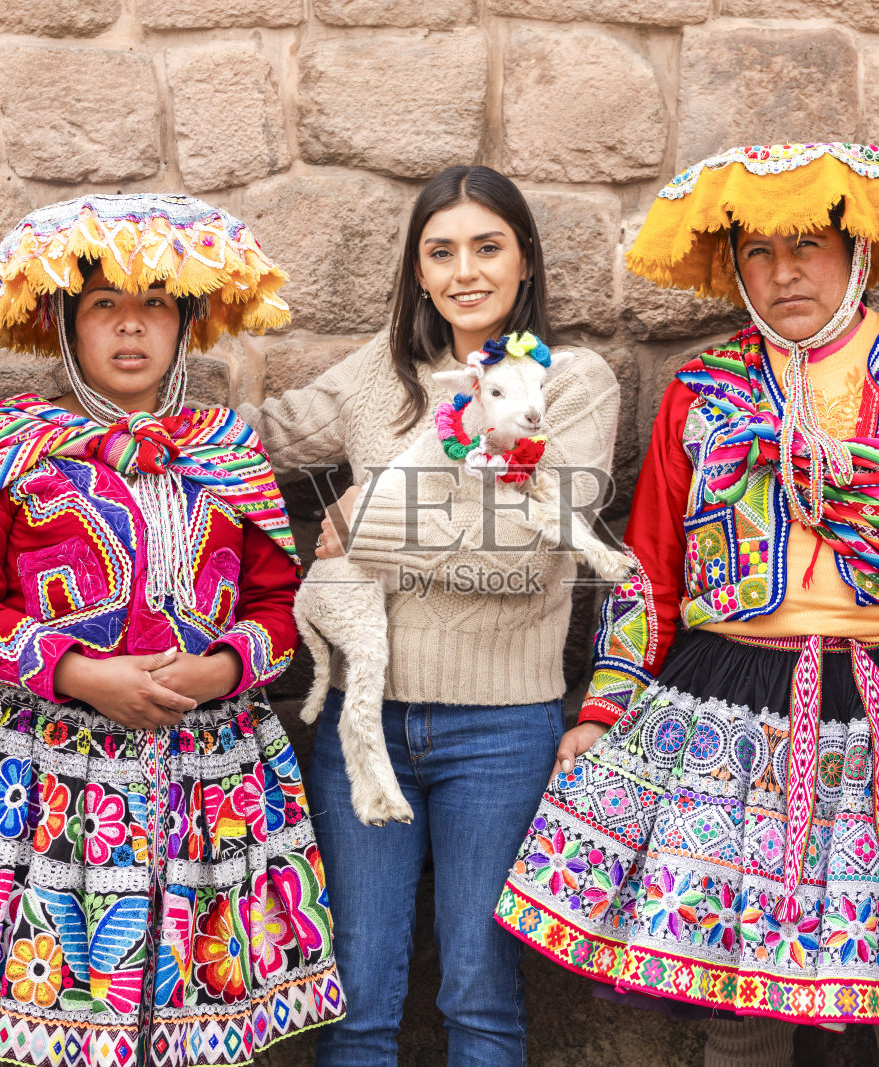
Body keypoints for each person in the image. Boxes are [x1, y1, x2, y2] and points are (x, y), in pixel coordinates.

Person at [491, 143, 879, 1065]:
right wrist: (603, 708)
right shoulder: (701, 391)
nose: (784, 272)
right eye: (759, 251)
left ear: (855, 252)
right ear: (734, 266)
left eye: (806, 246)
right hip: (736, 704)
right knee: (734, 983)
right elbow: (650, 568)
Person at [0, 194, 342, 1067]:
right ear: (64, 322)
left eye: (155, 303)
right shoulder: (12, 447)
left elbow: (278, 602)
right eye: (103, 304)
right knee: (62, 1017)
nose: (130, 325)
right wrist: (76, 673)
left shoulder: (224, 448)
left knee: (195, 1017)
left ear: (185, 324)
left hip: (209, 778)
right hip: (46, 778)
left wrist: (222, 669)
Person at [239, 164, 620, 1065]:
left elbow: (524, 552)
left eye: (488, 247)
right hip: (363, 722)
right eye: (441, 252)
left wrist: (361, 520)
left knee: (478, 992)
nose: (465, 271)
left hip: (500, 730)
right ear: (418, 270)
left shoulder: (570, 382)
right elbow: (255, 439)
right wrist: (128, 413)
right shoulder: (382, 373)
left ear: (526, 259)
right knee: (356, 996)